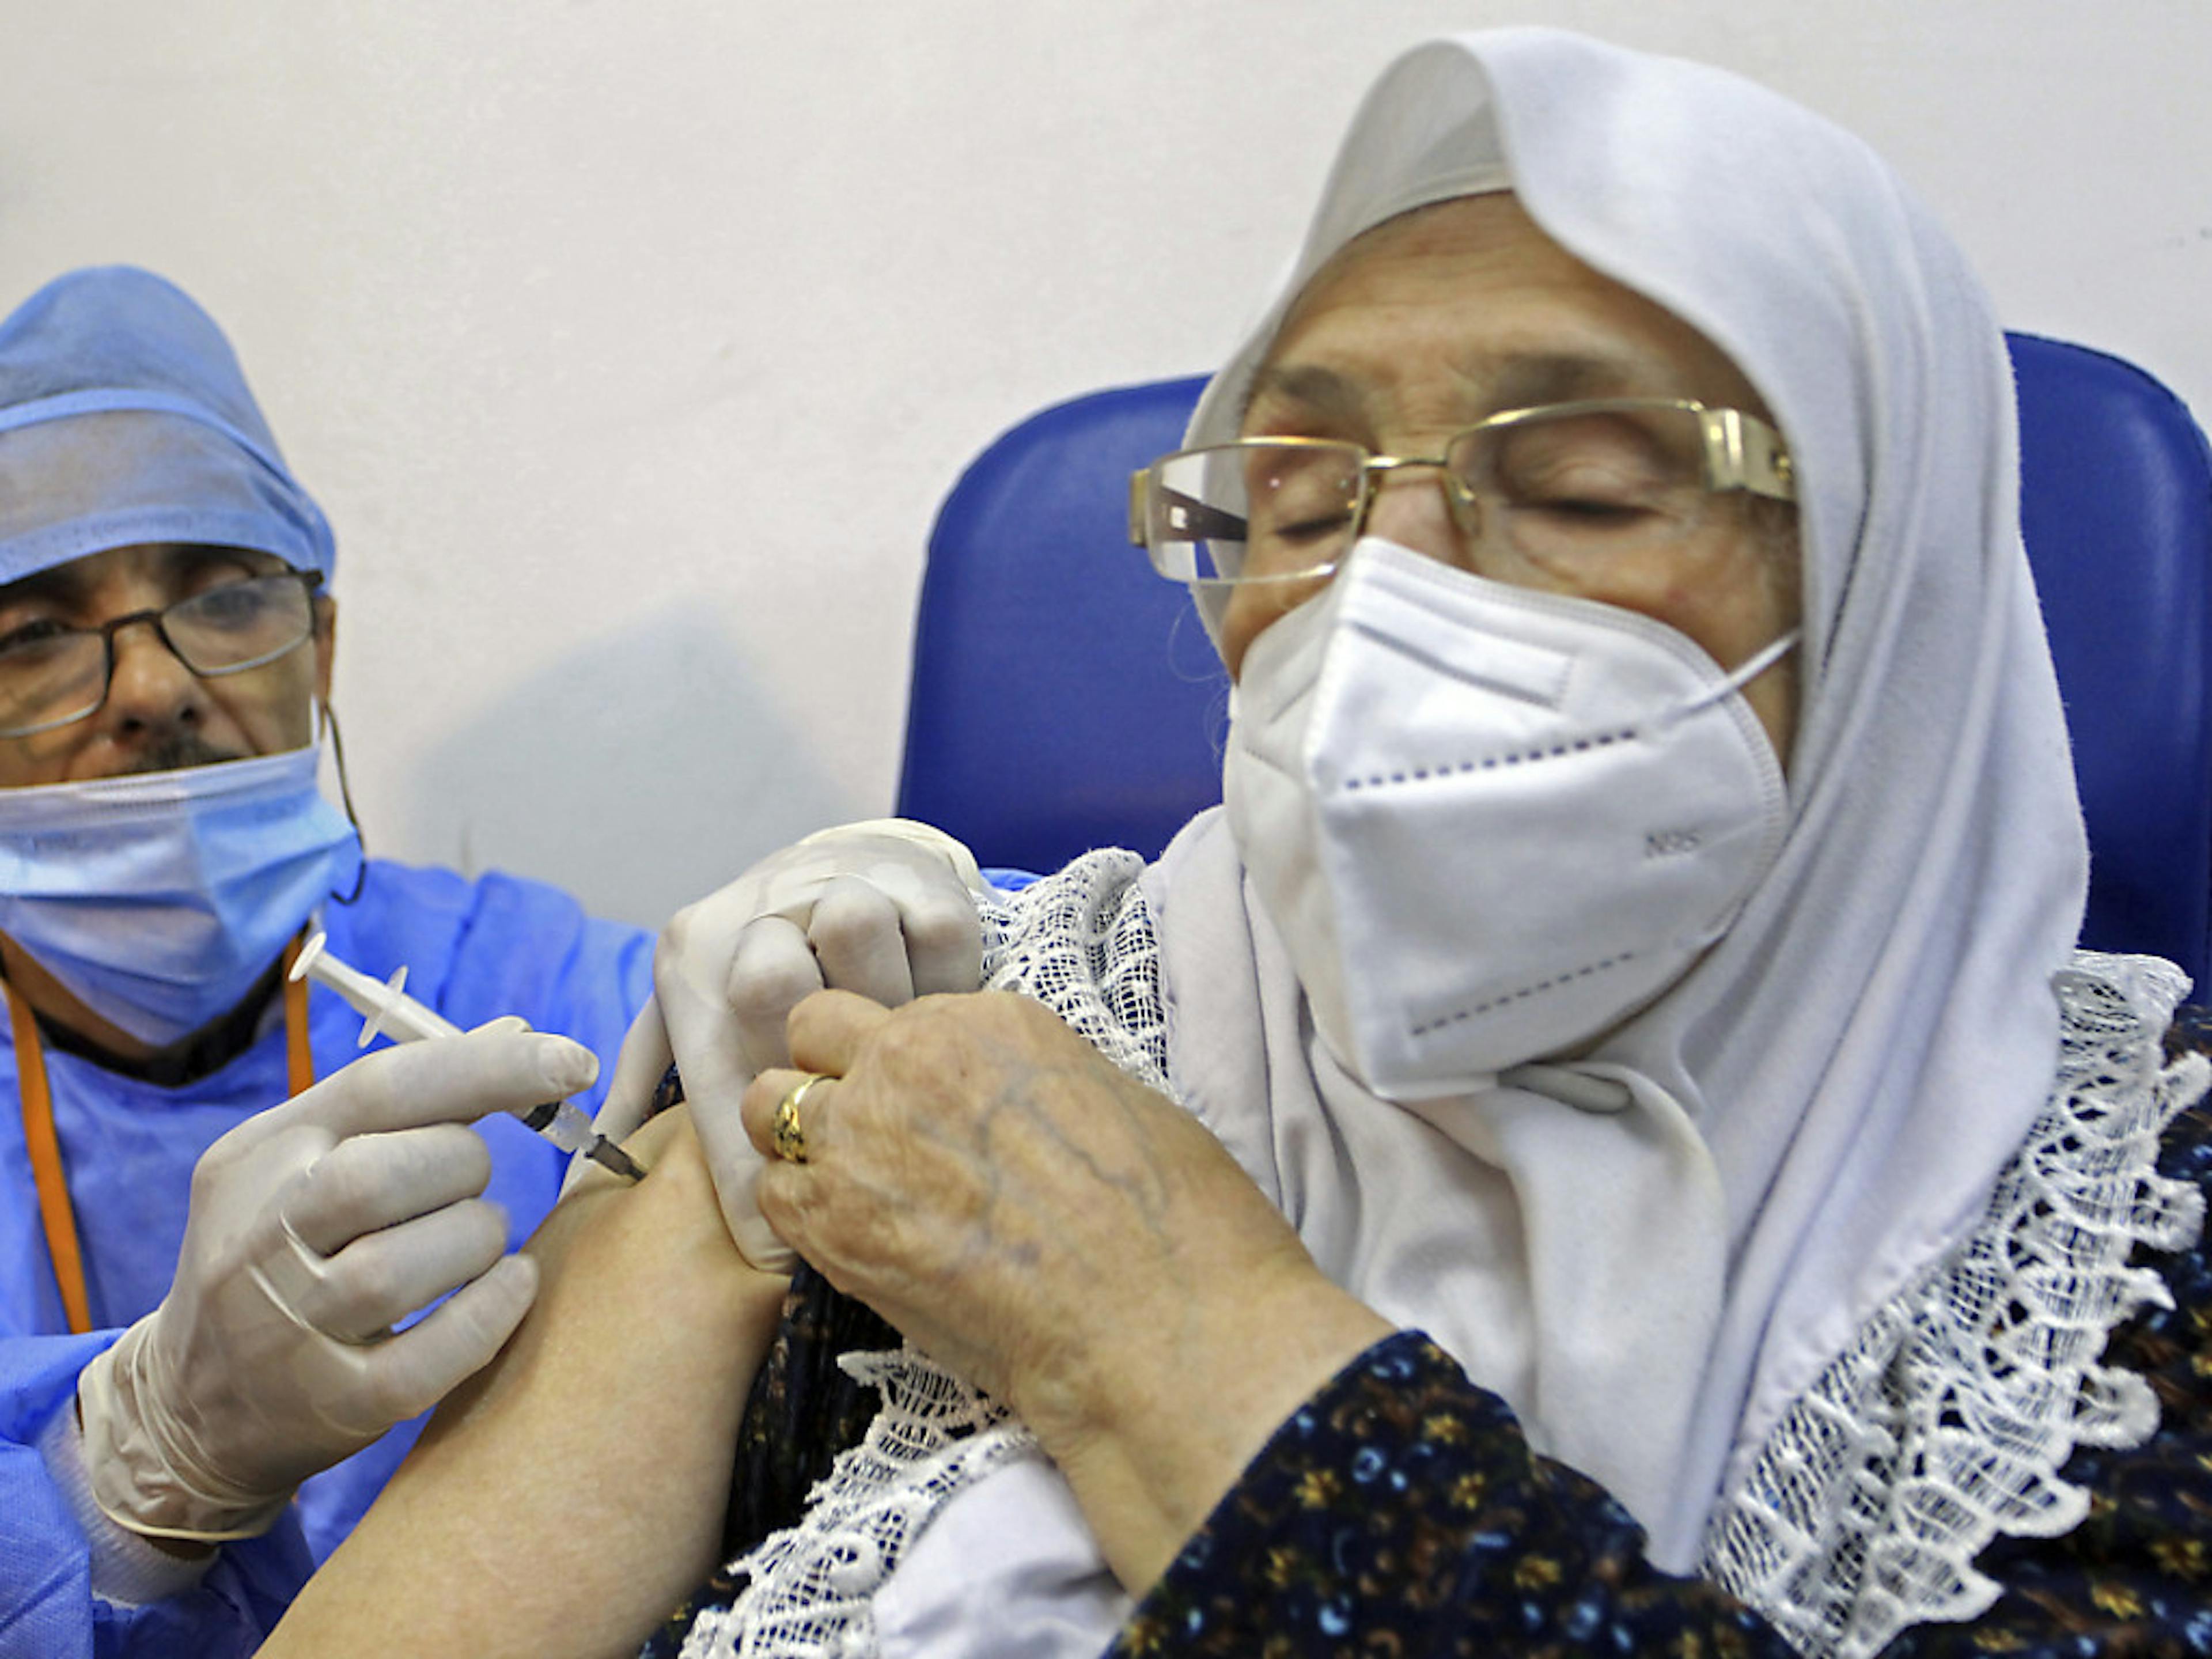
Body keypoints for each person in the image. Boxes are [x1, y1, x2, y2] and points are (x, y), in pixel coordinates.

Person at [262, 26, 2212, 1659]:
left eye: (1589, 487)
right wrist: (679, 1208)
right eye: (1292, 494)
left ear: (1893, 593)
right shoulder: (994, 1036)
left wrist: (1158, 1325)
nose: (1376, 606)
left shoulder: (2105, 1263)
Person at [0, 266, 665, 1659]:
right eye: (37, 635)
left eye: (227, 593)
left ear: (326, 643)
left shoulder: (502, 975)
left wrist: (899, 894)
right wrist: (118, 1480)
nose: (153, 685)